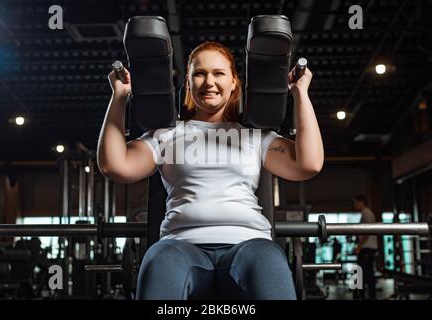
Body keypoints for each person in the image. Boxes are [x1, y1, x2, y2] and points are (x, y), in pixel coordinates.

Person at [97, 41, 324, 299]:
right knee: (159, 260)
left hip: (248, 244)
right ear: (188, 82)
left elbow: (309, 164)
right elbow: (114, 166)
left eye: (218, 73)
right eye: (199, 73)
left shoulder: (254, 137)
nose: (209, 82)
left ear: (234, 82)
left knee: (268, 259)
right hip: (181, 245)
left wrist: (300, 93)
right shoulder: (167, 136)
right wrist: (119, 97)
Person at [353, 194, 378, 299]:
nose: (354, 205)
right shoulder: (365, 213)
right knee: (363, 272)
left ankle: (369, 295)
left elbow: (366, 232)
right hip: (366, 247)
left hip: (367, 247)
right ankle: (362, 294)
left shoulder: (367, 214)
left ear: (361, 202)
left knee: (365, 273)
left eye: (355, 202)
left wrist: (359, 247)